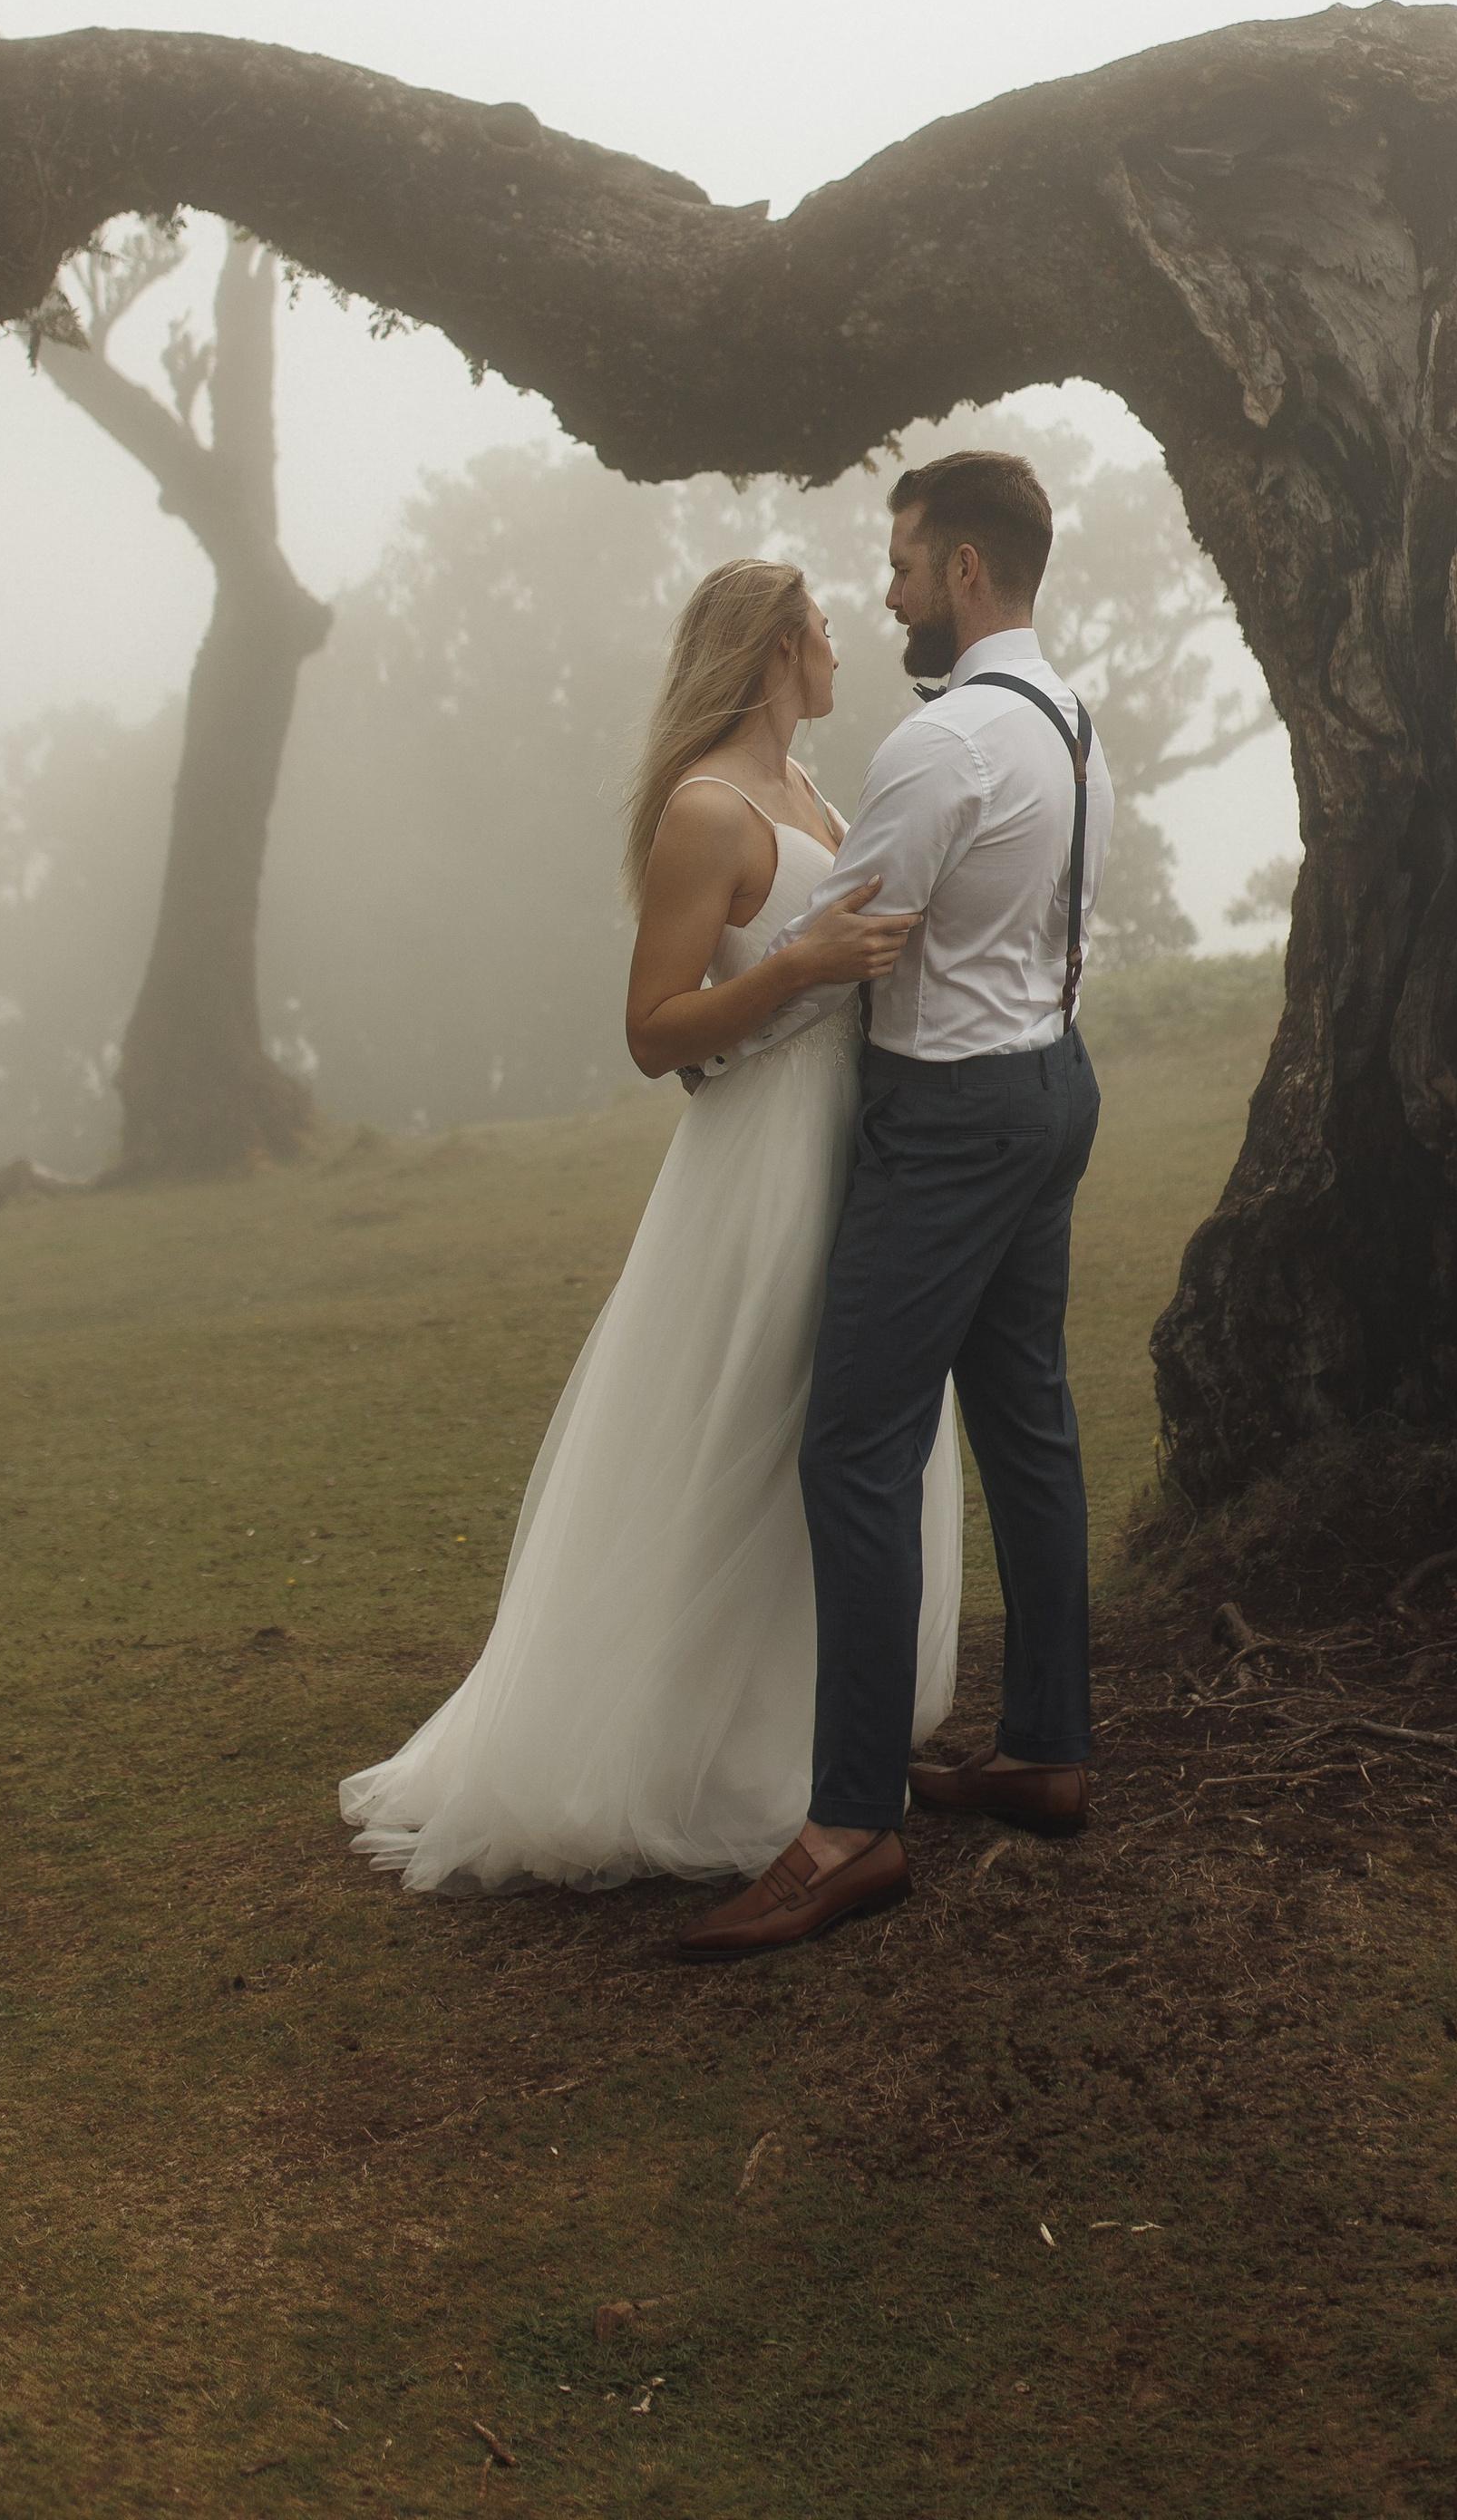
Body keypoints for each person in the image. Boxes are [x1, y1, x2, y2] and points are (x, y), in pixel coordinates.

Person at [338, 558, 962, 1894]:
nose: (845, 647)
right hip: (764, 1169)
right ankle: (673, 1752)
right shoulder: (708, 808)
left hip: (852, 1144)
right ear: (777, 650)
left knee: (835, 1446)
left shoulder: (812, 793)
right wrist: (803, 964)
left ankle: (797, 1732)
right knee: (745, 1436)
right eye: (825, 631)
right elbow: (651, 1031)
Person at [677, 450, 1113, 1961]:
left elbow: (835, 938)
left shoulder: (945, 747)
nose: (891, 590)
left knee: (855, 1447)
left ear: (969, 575)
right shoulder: (1071, 724)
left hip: (949, 1123)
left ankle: (852, 1820)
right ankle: (1048, 1748)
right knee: (1029, 1424)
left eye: (909, 561)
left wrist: (716, 1058)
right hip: (1055, 1085)